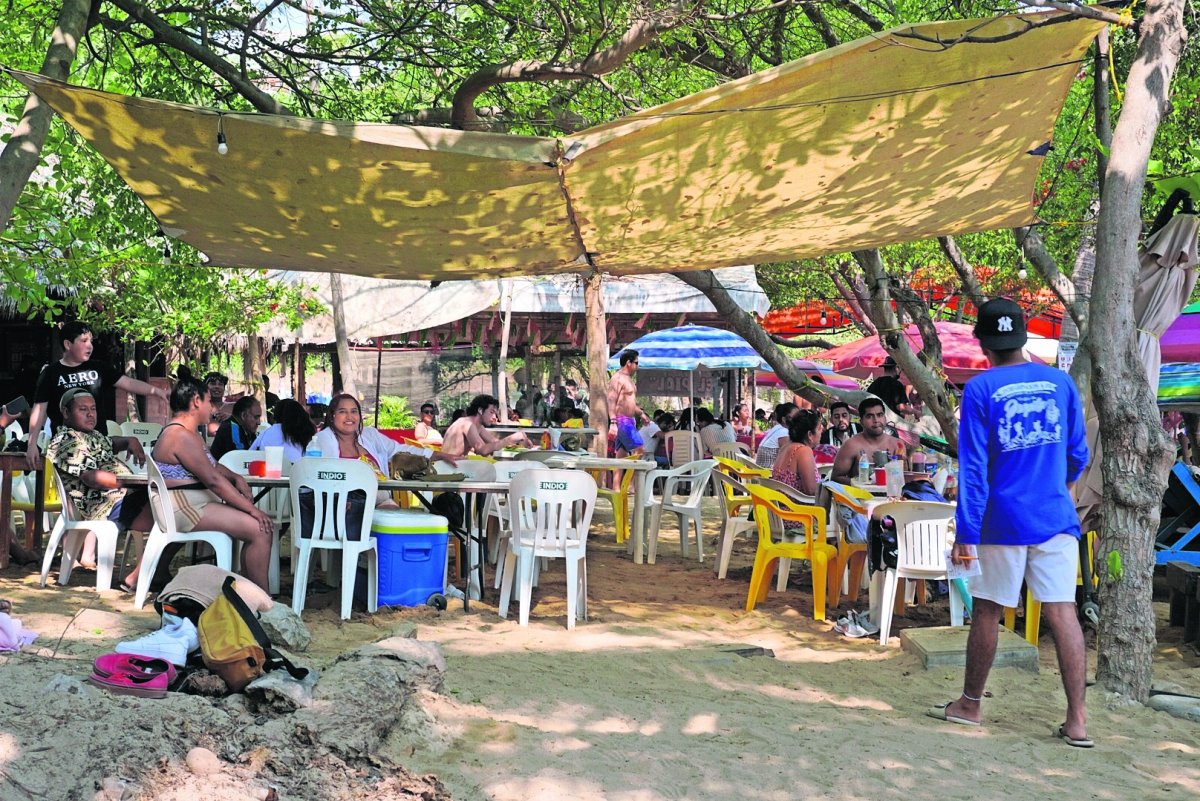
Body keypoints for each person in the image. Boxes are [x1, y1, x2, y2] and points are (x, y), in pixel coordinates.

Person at [928, 299, 1091, 746]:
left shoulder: (979, 390)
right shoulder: (1061, 383)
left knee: (988, 609)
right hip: (1057, 518)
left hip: (1002, 521)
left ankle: (969, 704)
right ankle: (1077, 719)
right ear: (1022, 337)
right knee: (1063, 612)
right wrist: (1057, 488)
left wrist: (965, 533)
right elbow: (1079, 455)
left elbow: (974, 471)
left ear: (982, 342)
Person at [142, 368, 275, 592]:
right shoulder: (180, 435)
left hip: (191, 504)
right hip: (185, 508)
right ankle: (261, 600)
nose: (211, 407)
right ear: (196, 401)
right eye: (207, 401)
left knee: (258, 528)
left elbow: (212, 465)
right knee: (260, 529)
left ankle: (249, 594)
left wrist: (235, 476)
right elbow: (214, 481)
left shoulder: (187, 432)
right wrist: (253, 510)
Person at [27, 321, 168, 469]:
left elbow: (129, 384)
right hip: (68, 449)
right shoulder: (50, 373)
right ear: (68, 345)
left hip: (99, 444)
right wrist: (32, 444)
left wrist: (157, 392)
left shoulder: (98, 368)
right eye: (83, 341)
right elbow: (39, 410)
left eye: (91, 341)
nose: (90, 346)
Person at [45, 388, 154, 575]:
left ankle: (148, 573)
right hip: (107, 505)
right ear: (66, 412)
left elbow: (112, 442)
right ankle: (143, 575)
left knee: (172, 508)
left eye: (93, 409)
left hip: (124, 498)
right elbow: (91, 478)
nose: (90, 414)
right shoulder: (66, 440)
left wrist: (130, 440)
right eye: (83, 409)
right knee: (170, 513)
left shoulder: (91, 436)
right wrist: (132, 483)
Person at [316, 394, 458, 493]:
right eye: (342, 411)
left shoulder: (369, 435)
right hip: (342, 502)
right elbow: (321, 476)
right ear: (332, 415)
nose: (349, 417)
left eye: (354, 411)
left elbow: (398, 450)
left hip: (380, 498)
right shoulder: (323, 439)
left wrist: (436, 454)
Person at [830, 398, 907, 484]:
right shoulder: (851, 445)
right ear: (861, 422)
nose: (876, 420)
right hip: (860, 496)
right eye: (869, 416)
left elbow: (904, 478)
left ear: (885, 418)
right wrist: (860, 486)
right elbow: (836, 477)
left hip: (891, 496)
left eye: (880, 415)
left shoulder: (897, 444)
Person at [771, 409, 824, 532]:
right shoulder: (803, 451)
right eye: (819, 429)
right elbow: (810, 490)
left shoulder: (786, 447)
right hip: (797, 516)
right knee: (843, 513)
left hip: (778, 514)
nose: (821, 433)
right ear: (810, 435)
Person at [441, 394, 531, 457]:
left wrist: (520, 442)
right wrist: (511, 438)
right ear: (480, 410)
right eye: (491, 412)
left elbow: (495, 443)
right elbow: (483, 450)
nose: (494, 417)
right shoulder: (467, 424)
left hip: (456, 465)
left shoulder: (478, 426)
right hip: (448, 468)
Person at [606, 350, 650, 458]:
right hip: (622, 421)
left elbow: (628, 401)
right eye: (636, 362)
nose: (637, 365)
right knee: (640, 449)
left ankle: (620, 475)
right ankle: (634, 475)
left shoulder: (628, 378)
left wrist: (641, 414)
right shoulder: (617, 379)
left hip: (629, 420)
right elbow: (611, 400)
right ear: (628, 363)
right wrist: (613, 422)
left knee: (621, 456)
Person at [250, 398, 316, 463]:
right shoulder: (304, 435)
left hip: (270, 471)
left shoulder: (265, 433)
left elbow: (249, 456)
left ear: (275, 415)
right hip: (298, 471)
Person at [210, 396, 263, 461]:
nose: (259, 422)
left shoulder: (248, 429)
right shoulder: (231, 429)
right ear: (243, 416)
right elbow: (241, 457)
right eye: (256, 417)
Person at [756, 402, 798, 468]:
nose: (798, 420)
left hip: (762, 473)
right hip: (768, 475)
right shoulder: (784, 433)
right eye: (795, 417)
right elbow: (791, 457)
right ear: (784, 420)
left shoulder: (777, 428)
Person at [203, 372, 234, 436]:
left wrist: (231, 419)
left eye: (220, 384)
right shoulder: (198, 408)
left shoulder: (235, 407)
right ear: (205, 387)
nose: (217, 386)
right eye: (213, 384)